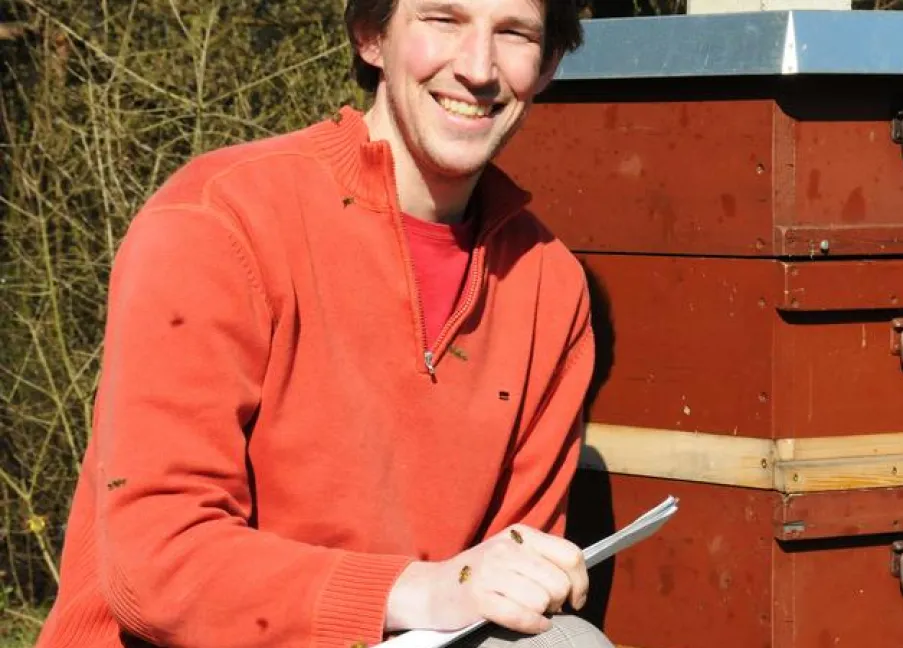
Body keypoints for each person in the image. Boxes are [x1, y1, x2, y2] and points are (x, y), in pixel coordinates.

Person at [33, 0, 608, 646]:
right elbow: (156, 564)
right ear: (371, 36)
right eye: (442, 20)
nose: (478, 68)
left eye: (513, 33)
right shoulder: (219, 219)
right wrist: (411, 590)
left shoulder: (548, 284)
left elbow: (511, 579)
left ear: (548, 63)